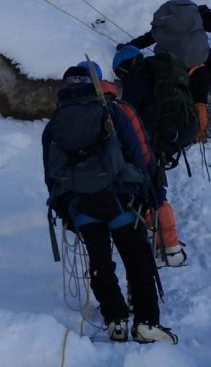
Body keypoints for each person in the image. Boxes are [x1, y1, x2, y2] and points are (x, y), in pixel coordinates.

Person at [43, 63, 178, 344]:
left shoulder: (55, 124)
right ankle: (146, 323)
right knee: (137, 259)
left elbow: (51, 173)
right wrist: (148, 190)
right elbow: (139, 152)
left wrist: (64, 209)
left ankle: (115, 320)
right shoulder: (113, 111)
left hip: (82, 207)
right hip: (121, 199)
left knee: (99, 262)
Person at [113, 45, 188, 268]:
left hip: (148, 144)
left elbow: (132, 118)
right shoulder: (156, 74)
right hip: (164, 139)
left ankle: (168, 248)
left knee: (152, 192)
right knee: (155, 190)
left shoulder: (136, 83)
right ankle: (169, 247)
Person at [124, 3, 211, 143]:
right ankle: (200, 133)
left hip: (174, 67)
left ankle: (182, 127)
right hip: (200, 66)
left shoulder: (168, 26)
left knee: (178, 95)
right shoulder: (195, 23)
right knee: (199, 102)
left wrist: (127, 46)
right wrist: (202, 15)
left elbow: (148, 38)